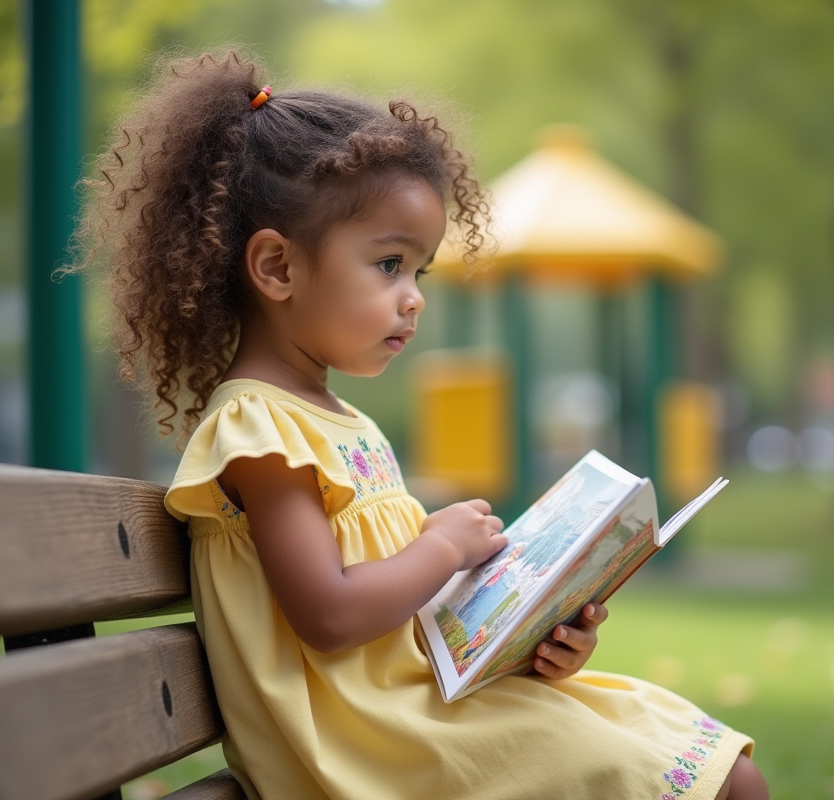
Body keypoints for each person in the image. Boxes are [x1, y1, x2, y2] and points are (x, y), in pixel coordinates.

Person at [72, 48, 768, 800]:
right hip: (367, 748)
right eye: (388, 265)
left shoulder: (343, 423)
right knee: (721, 785)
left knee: (712, 764)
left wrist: (526, 631)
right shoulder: (257, 431)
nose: (413, 298)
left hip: (414, 710)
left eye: (420, 271)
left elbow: (395, 621)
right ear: (277, 268)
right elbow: (332, 616)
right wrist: (438, 547)